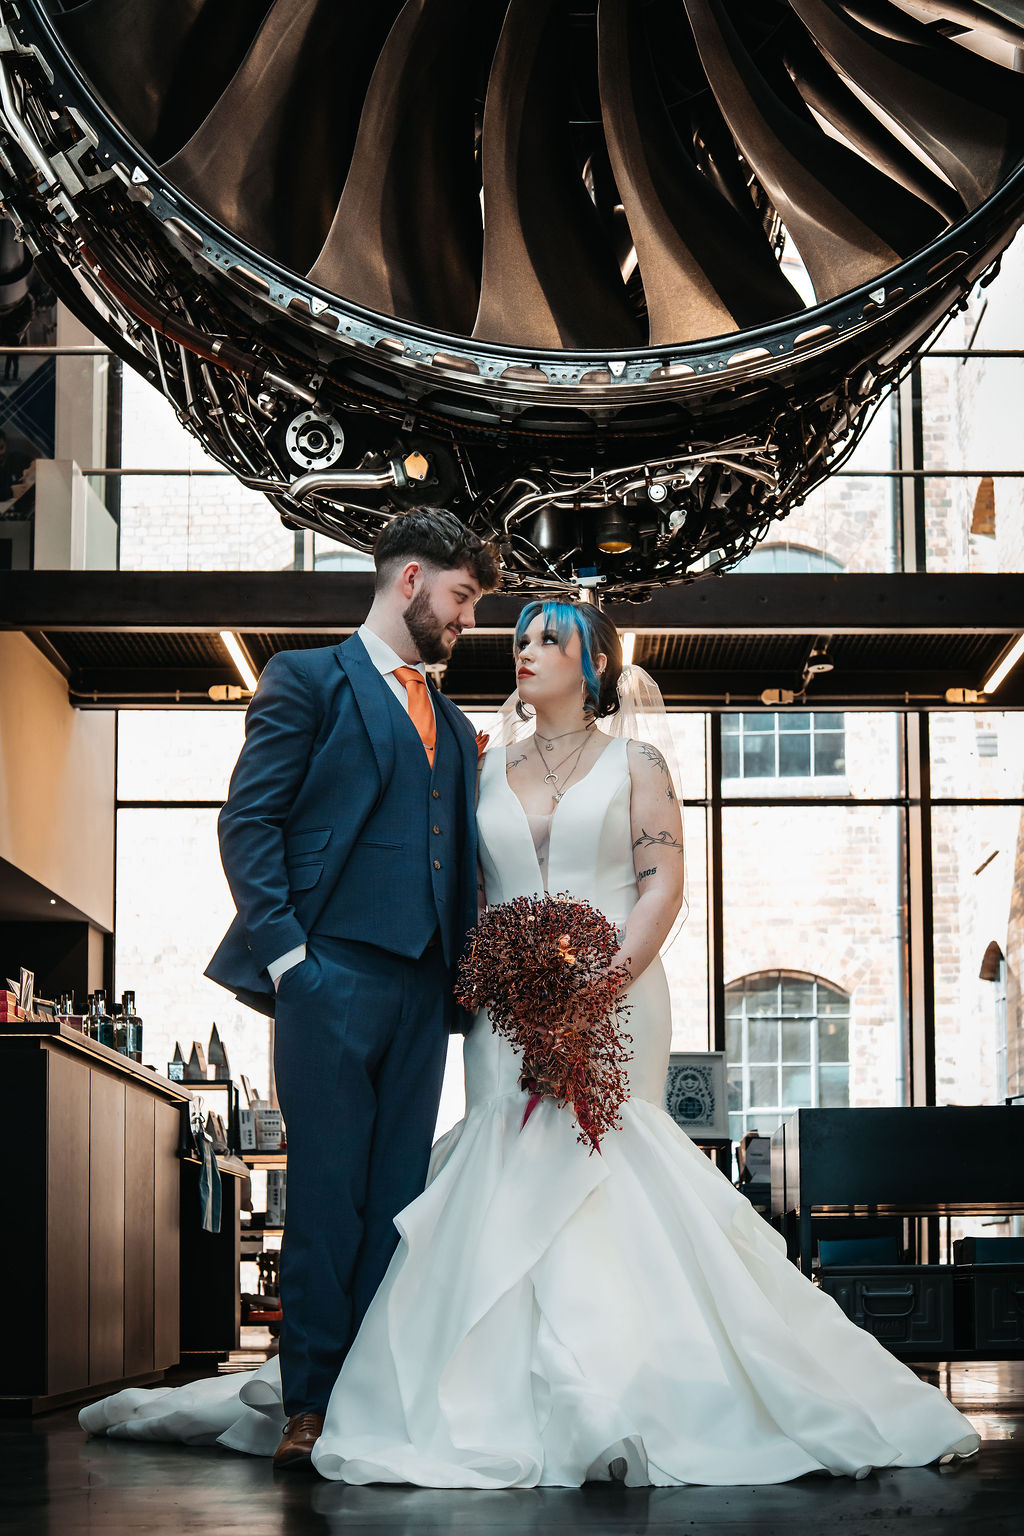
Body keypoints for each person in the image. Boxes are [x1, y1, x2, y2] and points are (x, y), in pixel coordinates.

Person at [82, 600, 980, 1486]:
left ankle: (642, 1379)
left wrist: (604, 981)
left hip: (619, 991)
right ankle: (459, 1383)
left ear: (594, 665)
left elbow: (662, 883)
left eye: (550, 638)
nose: (525, 649)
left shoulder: (639, 762)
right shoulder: (479, 765)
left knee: (614, 1158)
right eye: (518, 637)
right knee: (501, 1157)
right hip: (503, 1006)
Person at [202, 507, 500, 1467]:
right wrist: (292, 959)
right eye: (459, 600)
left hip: (425, 991)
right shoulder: (307, 680)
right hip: (328, 975)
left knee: (396, 1194)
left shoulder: (454, 727)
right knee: (327, 1195)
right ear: (410, 580)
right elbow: (248, 825)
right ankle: (311, 1404)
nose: (465, 623)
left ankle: (371, 1393)